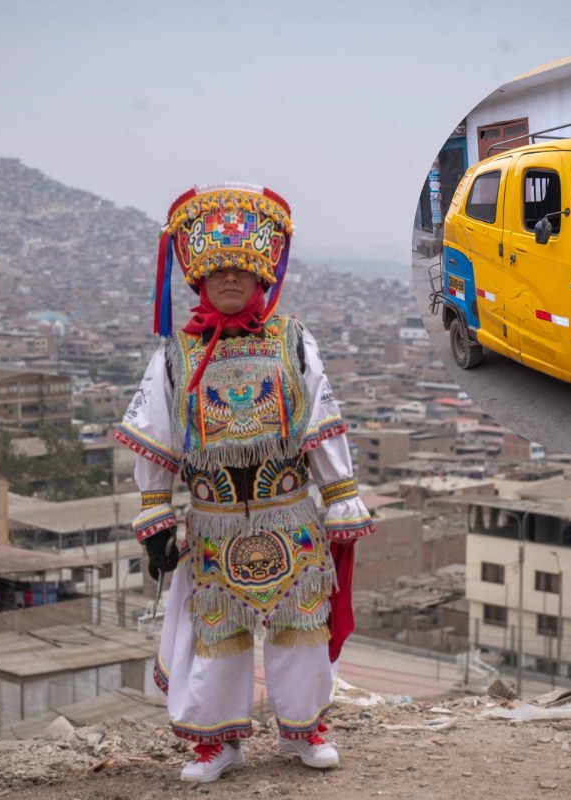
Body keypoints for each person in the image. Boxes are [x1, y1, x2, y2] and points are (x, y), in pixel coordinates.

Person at [113, 183, 374, 784]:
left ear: (263, 279)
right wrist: (155, 519)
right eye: (218, 270)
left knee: (301, 627)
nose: (230, 278)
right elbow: (155, 438)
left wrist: (340, 496)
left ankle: (305, 730)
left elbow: (321, 418)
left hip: (289, 511)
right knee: (216, 639)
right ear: (198, 281)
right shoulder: (175, 357)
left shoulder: (292, 340)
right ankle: (217, 743)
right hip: (212, 521)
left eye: (242, 269)